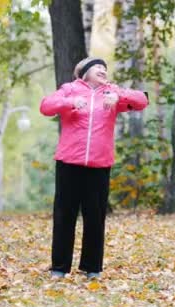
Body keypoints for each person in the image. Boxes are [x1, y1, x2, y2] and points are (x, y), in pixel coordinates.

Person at [40, 57, 148, 279]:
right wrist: (70, 103)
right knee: (64, 216)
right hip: (69, 163)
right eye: (98, 67)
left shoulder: (111, 92)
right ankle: (59, 268)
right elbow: (46, 107)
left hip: (99, 164)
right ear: (85, 72)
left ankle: (92, 268)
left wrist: (119, 96)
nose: (103, 71)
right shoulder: (69, 90)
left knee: (95, 217)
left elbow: (142, 101)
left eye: (105, 68)